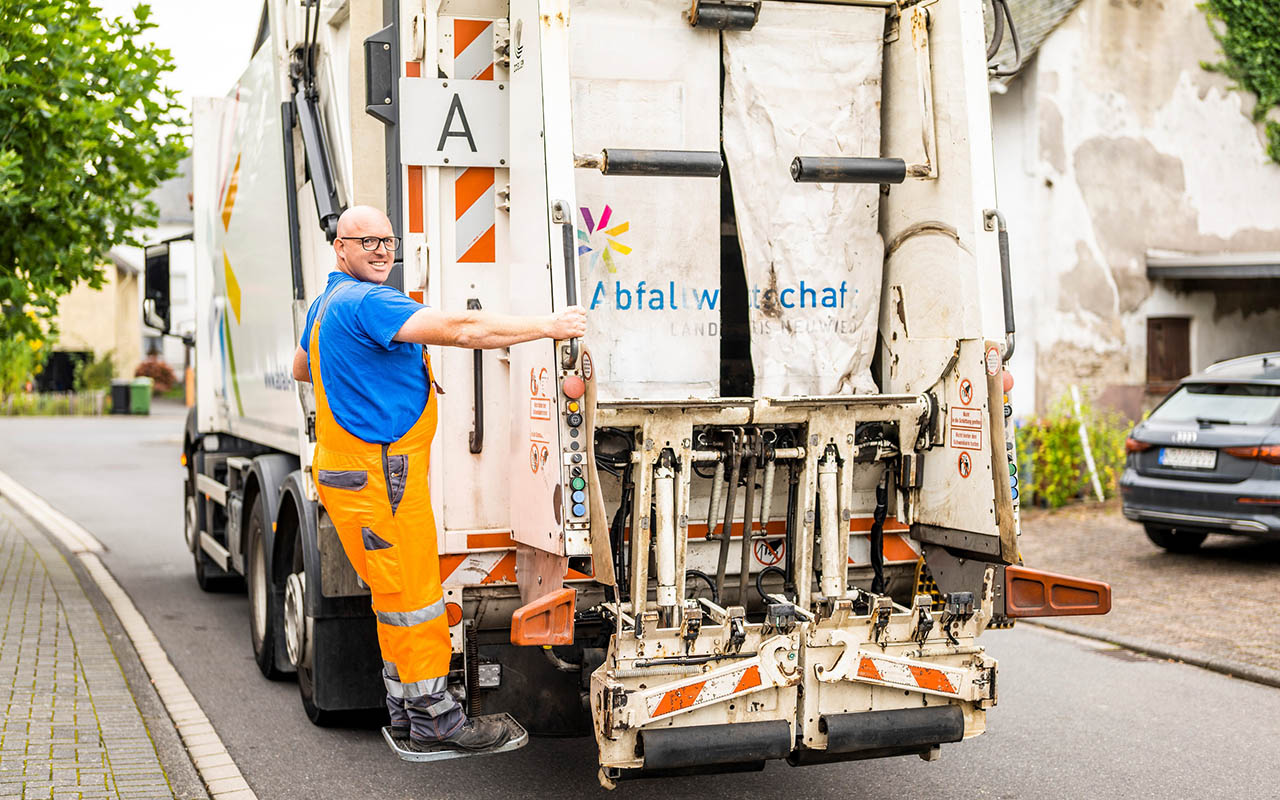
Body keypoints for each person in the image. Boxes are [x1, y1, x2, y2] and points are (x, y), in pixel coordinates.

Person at [292, 206, 586, 753]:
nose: (382, 250)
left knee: (393, 596)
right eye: (368, 241)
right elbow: (462, 329)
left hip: (349, 472)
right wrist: (549, 326)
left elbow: (301, 368)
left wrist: (359, 371)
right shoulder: (370, 301)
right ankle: (439, 720)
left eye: (388, 240)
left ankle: (406, 708)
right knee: (418, 595)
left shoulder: (326, 303)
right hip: (381, 476)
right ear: (341, 247)